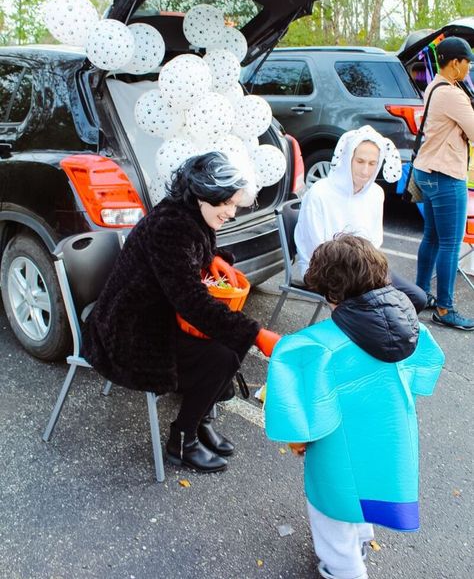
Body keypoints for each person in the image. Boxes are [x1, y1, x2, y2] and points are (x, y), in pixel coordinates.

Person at [82, 152, 279, 473]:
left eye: (234, 203)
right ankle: (183, 440)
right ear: (203, 194)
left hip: (151, 316)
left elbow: (190, 254)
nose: (232, 212)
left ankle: (198, 421)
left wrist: (215, 257)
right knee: (222, 354)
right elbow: (191, 301)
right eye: (226, 203)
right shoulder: (170, 227)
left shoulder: (186, 212)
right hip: (126, 334)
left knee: (228, 346)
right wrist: (257, 334)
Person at [265, 235, 444, 579]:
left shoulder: (314, 346)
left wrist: (299, 441)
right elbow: (425, 372)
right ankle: (362, 538)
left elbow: (298, 417)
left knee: (332, 512)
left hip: (338, 447)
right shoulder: (409, 326)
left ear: (331, 292)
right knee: (367, 494)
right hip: (391, 436)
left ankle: (345, 570)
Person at [294, 125, 427, 312]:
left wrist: (368, 270)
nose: (365, 171)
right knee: (376, 306)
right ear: (348, 158)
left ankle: (378, 335)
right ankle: (362, 336)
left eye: (372, 163)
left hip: (364, 267)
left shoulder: (375, 193)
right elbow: (316, 248)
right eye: (360, 161)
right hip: (325, 269)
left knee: (417, 298)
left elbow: (374, 240)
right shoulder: (320, 193)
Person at [413, 36, 474, 330]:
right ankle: (446, 309)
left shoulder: (434, 86)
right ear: (455, 63)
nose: (470, 68)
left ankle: (419, 295)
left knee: (433, 238)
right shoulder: (453, 94)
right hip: (446, 174)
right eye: (468, 62)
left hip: (427, 170)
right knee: (451, 244)